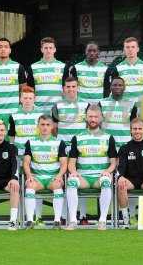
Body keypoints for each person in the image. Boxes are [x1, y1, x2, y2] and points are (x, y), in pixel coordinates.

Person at [66, 105, 117, 230]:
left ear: (101, 118)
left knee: (106, 181)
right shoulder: (77, 138)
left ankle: (102, 221)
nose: (93, 119)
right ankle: (73, 220)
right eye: (90, 116)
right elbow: (71, 162)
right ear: (86, 118)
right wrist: (73, 172)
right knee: (71, 181)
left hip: (99, 177)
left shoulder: (108, 137)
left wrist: (108, 171)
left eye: (95, 116)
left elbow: (114, 162)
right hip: (83, 177)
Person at [51, 77, 89, 224]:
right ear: (63, 89)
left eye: (73, 86)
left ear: (77, 87)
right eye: (68, 87)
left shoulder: (85, 105)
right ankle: (64, 216)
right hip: (62, 149)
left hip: (79, 149)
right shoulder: (57, 106)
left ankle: (83, 215)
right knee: (63, 181)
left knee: (79, 178)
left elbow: (87, 127)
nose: (71, 89)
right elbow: (54, 128)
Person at [8, 86, 46, 227]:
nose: (28, 100)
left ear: (34, 98)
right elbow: (11, 137)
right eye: (25, 98)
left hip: (35, 156)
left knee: (35, 183)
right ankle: (19, 217)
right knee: (18, 185)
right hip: (18, 157)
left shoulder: (40, 114)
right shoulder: (13, 115)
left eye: (30, 98)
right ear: (20, 99)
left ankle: (39, 217)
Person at [22, 115, 67, 229]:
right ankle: (30, 221)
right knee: (29, 185)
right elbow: (26, 163)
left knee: (58, 185)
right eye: (42, 124)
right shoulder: (30, 143)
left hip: (53, 177)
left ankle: (57, 221)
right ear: (38, 126)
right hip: (38, 178)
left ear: (52, 127)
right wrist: (29, 175)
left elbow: (64, 163)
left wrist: (59, 175)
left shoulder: (59, 143)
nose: (45, 127)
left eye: (47, 125)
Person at [117, 118, 143, 227]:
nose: (137, 131)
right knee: (121, 184)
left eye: (140, 129)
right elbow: (120, 167)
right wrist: (120, 177)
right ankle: (125, 219)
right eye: (134, 129)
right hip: (130, 180)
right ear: (130, 130)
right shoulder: (124, 148)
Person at [0, 38, 27, 139]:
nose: (3, 49)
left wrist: (18, 105)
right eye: (0, 47)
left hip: (13, 111)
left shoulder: (18, 67)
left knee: (12, 143)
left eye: (6, 47)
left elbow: (23, 89)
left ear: (10, 50)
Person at [26, 37, 66, 113]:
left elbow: (65, 89)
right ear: (41, 49)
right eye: (46, 48)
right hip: (38, 108)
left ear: (55, 49)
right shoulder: (33, 67)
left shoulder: (63, 66)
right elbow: (30, 90)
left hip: (57, 108)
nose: (48, 50)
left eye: (51, 48)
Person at [99, 76, 137, 149]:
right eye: (115, 85)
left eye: (120, 85)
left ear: (124, 87)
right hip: (106, 145)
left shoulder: (131, 104)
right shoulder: (102, 103)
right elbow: (98, 125)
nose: (117, 87)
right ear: (110, 87)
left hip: (125, 145)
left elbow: (133, 125)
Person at [110, 37, 143, 103]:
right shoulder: (118, 68)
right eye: (127, 47)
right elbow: (114, 90)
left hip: (141, 105)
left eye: (133, 47)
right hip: (125, 105)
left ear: (138, 49)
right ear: (124, 50)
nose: (130, 49)